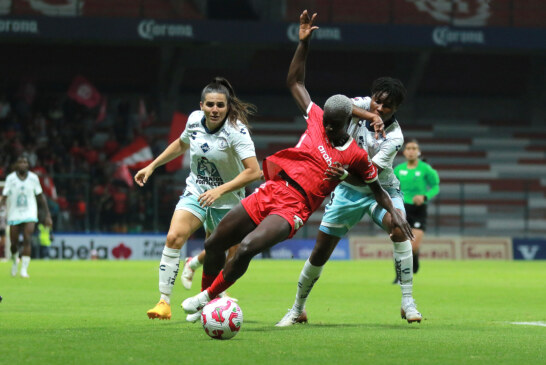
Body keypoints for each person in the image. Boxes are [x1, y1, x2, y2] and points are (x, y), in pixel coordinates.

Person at [181, 10, 414, 319]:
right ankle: (211, 302)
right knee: (214, 243)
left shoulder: (356, 156)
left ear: (347, 121)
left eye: (333, 124)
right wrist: (303, 43)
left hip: (294, 207)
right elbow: (295, 81)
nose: (327, 127)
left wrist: (395, 212)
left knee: (248, 246)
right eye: (326, 121)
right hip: (271, 189)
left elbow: (376, 187)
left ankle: (207, 298)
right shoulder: (318, 117)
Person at [275, 73, 425, 325]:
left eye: (386, 106)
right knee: (320, 252)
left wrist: (344, 174)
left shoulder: (395, 137)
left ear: (397, 109)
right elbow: (337, 105)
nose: (379, 107)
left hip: (380, 188)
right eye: (377, 101)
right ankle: (297, 308)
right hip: (346, 190)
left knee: (399, 227)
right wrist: (370, 114)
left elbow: (371, 178)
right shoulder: (366, 105)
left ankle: (408, 301)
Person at [135, 77, 261, 321]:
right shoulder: (193, 120)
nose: (215, 110)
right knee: (174, 237)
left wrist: (220, 190)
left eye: (220, 106)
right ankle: (164, 302)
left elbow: (254, 171)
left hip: (228, 201)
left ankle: (207, 299)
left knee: (220, 254)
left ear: (227, 107)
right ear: (201, 105)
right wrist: (152, 166)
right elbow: (181, 145)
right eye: (210, 105)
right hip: (196, 192)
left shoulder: (236, 131)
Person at [393, 139, 440, 280]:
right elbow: (392, 187)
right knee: (400, 243)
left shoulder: (425, 168)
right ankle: (399, 275)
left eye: (414, 148)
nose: (411, 151)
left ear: (418, 152)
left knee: (412, 246)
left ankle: (415, 256)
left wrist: (425, 196)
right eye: (408, 148)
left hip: (419, 210)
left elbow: (436, 186)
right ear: (404, 152)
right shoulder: (398, 169)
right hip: (402, 209)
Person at [0, 154, 52, 278]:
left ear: (28, 165)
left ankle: (24, 269)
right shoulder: (10, 178)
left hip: (30, 212)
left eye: (25, 162)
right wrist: (1, 206)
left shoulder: (34, 178)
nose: (23, 164)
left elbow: (40, 196)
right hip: (14, 213)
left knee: (28, 239)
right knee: (14, 243)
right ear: (16, 165)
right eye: (20, 162)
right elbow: (5, 196)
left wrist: (47, 214)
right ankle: (14, 261)